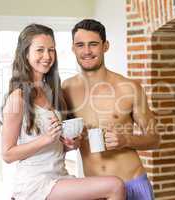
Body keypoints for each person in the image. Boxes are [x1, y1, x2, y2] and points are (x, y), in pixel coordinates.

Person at [1, 23, 125, 200]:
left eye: (51, 50)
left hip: (59, 175)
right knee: (115, 186)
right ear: (25, 53)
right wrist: (46, 139)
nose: (47, 56)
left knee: (111, 187)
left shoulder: (51, 91)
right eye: (40, 50)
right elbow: (7, 154)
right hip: (36, 183)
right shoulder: (17, 98)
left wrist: (69, 145)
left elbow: (53, 147)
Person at [62, 19, 160, 200]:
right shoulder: (66, 89)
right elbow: (62, 141)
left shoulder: (129, 88)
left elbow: (155, 139)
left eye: (93, 44)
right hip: (93, 190)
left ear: (105, 46)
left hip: (131, 185)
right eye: (80, 45)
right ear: (73, 48)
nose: (87, 51)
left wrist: (126, 140)